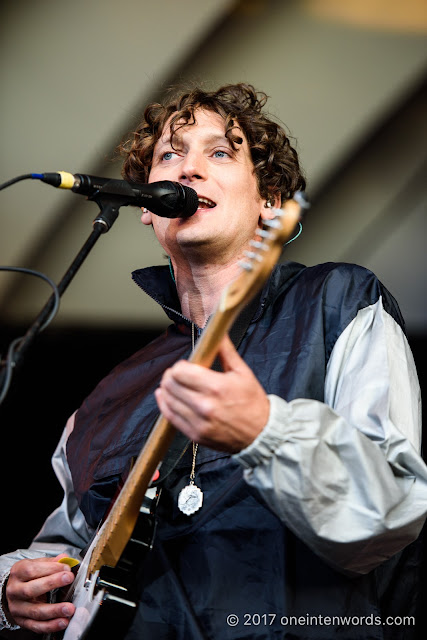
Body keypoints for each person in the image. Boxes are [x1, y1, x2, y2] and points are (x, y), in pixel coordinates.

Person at [0, 83, 426, 639]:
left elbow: (392, 512)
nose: (188, 170)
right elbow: (69, 547)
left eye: (219, 152)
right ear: (146, 210)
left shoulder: (339, 302)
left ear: (270, 201)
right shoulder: (107, 398)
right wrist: (13, 587)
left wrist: (265, 431)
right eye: (169, 155)